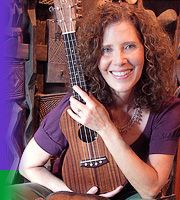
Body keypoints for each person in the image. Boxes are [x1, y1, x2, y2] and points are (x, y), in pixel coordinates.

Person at [9, 2, 180, 200]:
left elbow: (151, 190)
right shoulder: (79, 103)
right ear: (94, 57)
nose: (119, 60)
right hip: (69, 192)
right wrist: (71, 194)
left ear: (147, 51)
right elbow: (28, 165)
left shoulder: (167, 109)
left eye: (129, 46)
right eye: (106, 49)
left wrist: (105, 127)